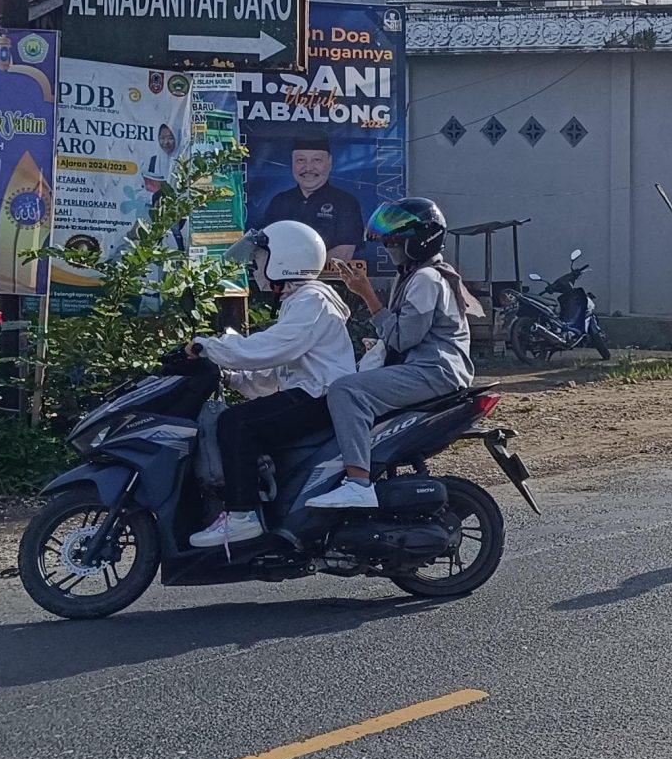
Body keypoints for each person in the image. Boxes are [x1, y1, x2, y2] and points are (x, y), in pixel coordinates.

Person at [186, 220, 358, 547]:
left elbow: (271, 349)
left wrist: (210, 346)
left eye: (261, 258)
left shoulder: (312, 300)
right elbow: (276, 371)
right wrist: (231, 375)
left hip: (320, 398)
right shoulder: (299, 302)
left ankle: (242, 515)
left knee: (235, 423)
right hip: (309, 394)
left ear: (284, 259)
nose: (256, 266)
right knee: (246, 419)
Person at [307, 197, 483, 510]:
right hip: (427, 368)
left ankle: (358, 483)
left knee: (346, 391)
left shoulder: (427, 279)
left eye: (395, 244)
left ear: (419, 242)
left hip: (435, 372)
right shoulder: (413, 275)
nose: (390, 250)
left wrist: (367, 296)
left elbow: (403, 338)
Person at [254, 134, 366, 259]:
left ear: (329, 163)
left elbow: (344, 253)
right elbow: (262, 247)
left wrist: (302, 272)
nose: (308, 168)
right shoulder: (279, 201)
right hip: (280, 277)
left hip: (326, 278)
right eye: (300, 160)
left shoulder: (346, 202)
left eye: (317, 160)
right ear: (292, 163)